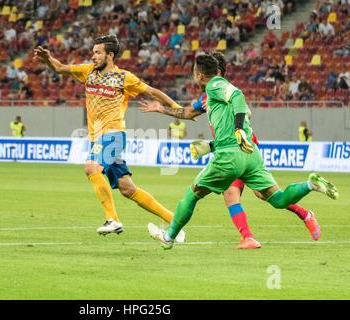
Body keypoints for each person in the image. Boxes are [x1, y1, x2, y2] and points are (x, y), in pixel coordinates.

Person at [140, 54, 338, 250]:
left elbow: (238, 97)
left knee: (191, 195)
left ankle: (169, 237)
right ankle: (310, 185)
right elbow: (187, 113)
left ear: (200, 75)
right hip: (248, 154)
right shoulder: (207, 97)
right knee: (276, 198)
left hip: (231, 152)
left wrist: (238, 129)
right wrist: (161, 108)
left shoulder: (216, 85)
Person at [34, 35, 186, 240]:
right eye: (93, 52)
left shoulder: (124, 77)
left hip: (113, 134)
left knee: (91, 167)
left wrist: (178, 110)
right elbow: (60, 68)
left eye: (98, 52)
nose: (93, 56)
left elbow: (152, 92)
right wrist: (47, 59)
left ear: (110, 55)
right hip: (98, 138)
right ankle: (174, 221)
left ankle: (112, 220)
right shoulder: (87, 71)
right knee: (127, 188)